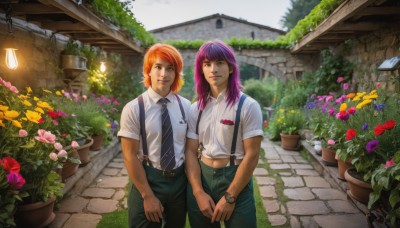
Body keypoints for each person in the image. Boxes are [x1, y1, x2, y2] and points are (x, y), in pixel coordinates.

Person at [185, 40, 263, 228]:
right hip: (202, 178)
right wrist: (198, 192)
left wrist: (230, 197)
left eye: (219, 63)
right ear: (201, 70)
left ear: (230, 68)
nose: (213, 69)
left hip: (236, 178)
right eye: (207, 64)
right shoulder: (196, 109)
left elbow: (252, 155)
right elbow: (190, 151)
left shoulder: (248, 106)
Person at [118, 43, 190, 228]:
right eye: (158, 67)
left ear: (176, 74)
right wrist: (147, 195)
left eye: (170, 69)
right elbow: (129, 156)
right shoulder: (134, 108)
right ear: (148, 71)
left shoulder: (187, 107)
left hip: (179, 181)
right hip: (148, 179)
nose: (163, 74)